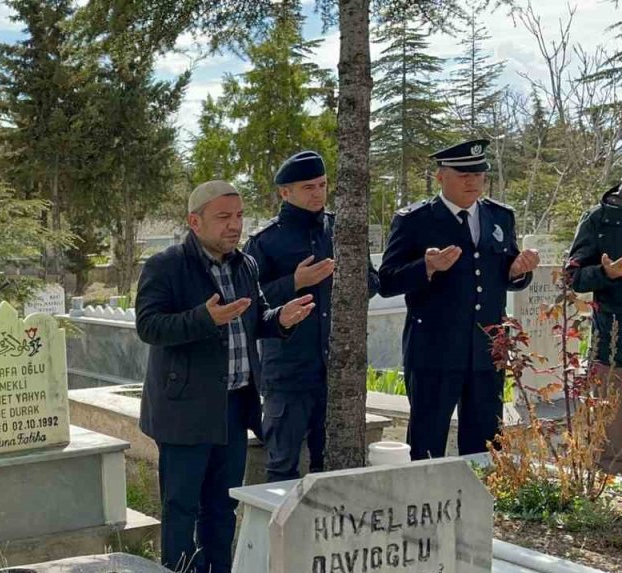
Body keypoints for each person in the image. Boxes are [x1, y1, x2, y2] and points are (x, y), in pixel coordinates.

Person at [135, 180, 314, 573]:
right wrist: (204, 318)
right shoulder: (166, 266)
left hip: (234, 406)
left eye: (238, 217)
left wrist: (280, 319)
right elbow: (148, 326)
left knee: (221, 504)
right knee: (182, 506)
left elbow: (255, 318)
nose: (234, 226)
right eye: (223, 218)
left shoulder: (245, 264)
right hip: (184, 409)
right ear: (194, 221)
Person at [379, 140, 539, 459]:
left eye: (478, 174)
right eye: (463, 174)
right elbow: (386, 282)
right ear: (440, 176)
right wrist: (425, 266)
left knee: (486, 444)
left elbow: (505, 273)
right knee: (427, 442)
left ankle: (481, 503)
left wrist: (518, 271)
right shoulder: (415, 220)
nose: (472, 181)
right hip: (434, 351)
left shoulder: (500, 216)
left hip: (485, 349)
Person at [244, 152, 380, 482]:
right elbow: (247, 302)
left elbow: (373, 282)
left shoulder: (342, 231)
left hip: (337, 372)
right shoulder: (266, 242)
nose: (318, 193)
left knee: (332, 466)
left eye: (322, 185)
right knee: (282, 466)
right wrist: (294, 283)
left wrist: (346, 281)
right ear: (285, 192)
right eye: (308, 187)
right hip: (289, 371)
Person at [565, 181, 622, 471]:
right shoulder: (600, 218)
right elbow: (572, 276)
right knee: (610, 449)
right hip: (614, 350)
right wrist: (605, 272)